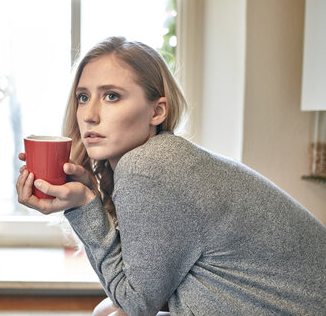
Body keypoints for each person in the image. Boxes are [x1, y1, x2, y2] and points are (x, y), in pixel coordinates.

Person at [16, 36, 326, 316]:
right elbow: (143, 285)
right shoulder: (164, 159)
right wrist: (87, 194)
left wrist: (83, 205)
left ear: (157, 112)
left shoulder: (147, 167)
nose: (89, 114)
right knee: (106, 311)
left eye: (111, 96)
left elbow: (136, 303)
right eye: (83, 97)